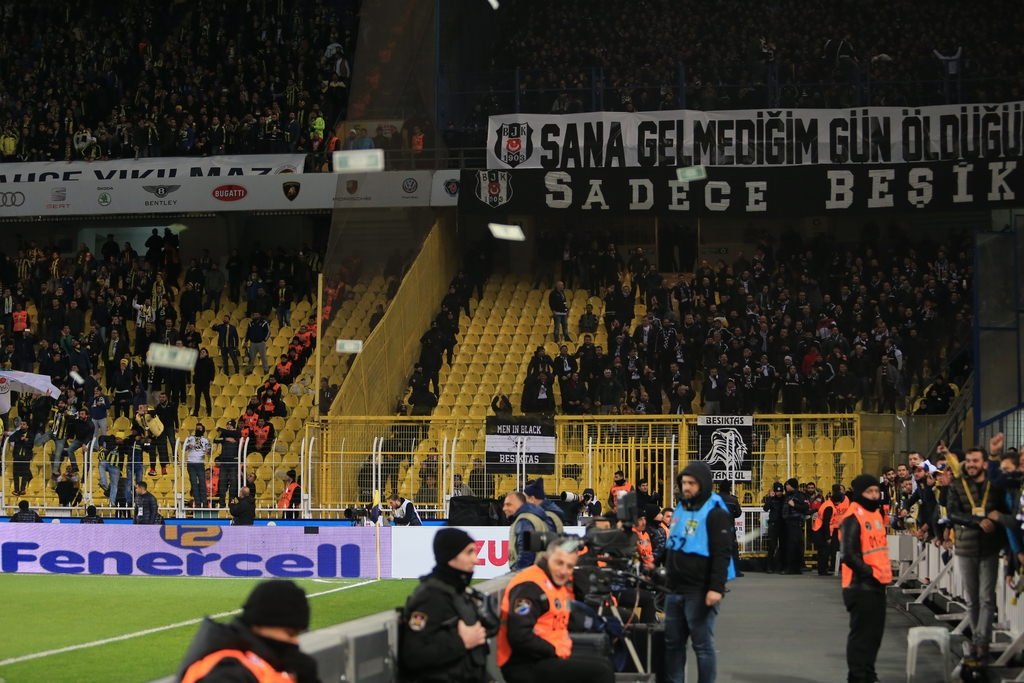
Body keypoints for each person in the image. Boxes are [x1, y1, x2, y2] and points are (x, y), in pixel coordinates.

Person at [497, 538, 614, 683]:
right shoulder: (530, 585)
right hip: (524, 662)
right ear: (547, 558)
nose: (563, 571)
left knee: (604, 662)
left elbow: (562, 618)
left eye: (569, 566)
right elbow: (519, 636)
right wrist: (553, 650)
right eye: (559, 563)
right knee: (601, 672)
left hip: (547, 654)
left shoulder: (555, 582)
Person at [664, 461, 736, 683]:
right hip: (674, 589)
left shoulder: (715, 513)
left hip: (699, 589)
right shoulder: (681, 508)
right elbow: (674, 543)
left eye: (691, 483)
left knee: (702, 646)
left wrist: (716, 588)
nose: (686, 487)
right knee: (673, 645)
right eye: (684, 482)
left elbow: (722, 553)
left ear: (703, 484)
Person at [947, 436, 1012, 666]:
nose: (971, 465)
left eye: (976, 461)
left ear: (984, 463)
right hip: (965, 548)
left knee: (987, 598)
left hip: (990, 549)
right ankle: (977, 640)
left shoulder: (994, 485)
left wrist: (995, 454)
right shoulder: (957, 484)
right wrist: (976, 521)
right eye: (969, 461)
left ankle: (981, 643)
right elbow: (952, 513)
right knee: (972, 600)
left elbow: (1005, 509)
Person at [178, 580, 319, 683]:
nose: (295, 641)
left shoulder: (265, 662)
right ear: (260, 625)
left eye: (298, 634)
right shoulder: (227, 671)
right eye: (290, 633)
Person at [399, 528, 490, 682]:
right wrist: (462, 642)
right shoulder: (431, 597)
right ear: (450, 557)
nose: (476, 560)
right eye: (469, 552)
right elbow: (413, 655)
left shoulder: (458, 591)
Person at [839, 474, 892, 683]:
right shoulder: (852, 517)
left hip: (878, 583)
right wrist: (870, 573)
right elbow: (848, 555)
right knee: (862, 636)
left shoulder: (875, 514)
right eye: (869, 491)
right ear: (860, 493)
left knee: (874, 636)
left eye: (876, 491)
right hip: (859, 585)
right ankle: (858, 676)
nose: (874, 495)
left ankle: (869, 674)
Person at [504, 491, 560, 570]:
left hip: (530, 572)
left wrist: (517, 572)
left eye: (509, 504)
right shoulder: (536, 517)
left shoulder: (524, 521)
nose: (504, 508)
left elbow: (526, 555)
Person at [813, 484, 849, 575]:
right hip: (821, 530)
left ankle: (822, 570)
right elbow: (826, 523)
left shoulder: (829, 504)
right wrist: (828, 537)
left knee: (823, 551)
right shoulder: (830, 507)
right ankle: (822, 571)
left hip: (820, 529)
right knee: (824, 551)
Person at [781, 477, 809, 574]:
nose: (786, 486)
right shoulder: (787, 495)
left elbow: (805, 507)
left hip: (795, 522)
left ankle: (793, 568)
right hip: (787, 523)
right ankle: (792, 567)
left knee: (793, 545)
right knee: (789, 545)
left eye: (788, 484)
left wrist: (794, 505)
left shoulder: (800, 495)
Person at [183, 424, 212, 508]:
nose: (198, 429)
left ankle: (204, 502)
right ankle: (197, 502)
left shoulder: (205, 440)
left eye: (200, 428)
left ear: (203, 430)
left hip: (200, 463)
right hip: (191, 463)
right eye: (197, 428)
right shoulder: (190, 438)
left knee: (202, 482)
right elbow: (184, 448)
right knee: (194, 483)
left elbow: (210, 452)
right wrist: (188, 446)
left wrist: (207, 451)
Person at [762, 482, 785, 572]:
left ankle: (781, 566)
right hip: (773, 524)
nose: (779, 493)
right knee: (772, 545)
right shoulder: (772, 499)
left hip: (782, 524)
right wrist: (770, 498)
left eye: (780, 491)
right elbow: (765, 508)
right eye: (777, 491)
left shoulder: (784, 499)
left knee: (783, 545)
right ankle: (769, 566)